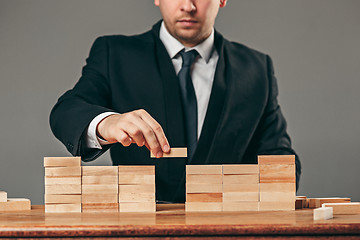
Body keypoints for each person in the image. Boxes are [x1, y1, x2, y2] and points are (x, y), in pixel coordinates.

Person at [50, 0, 301, 203]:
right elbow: (67, 111)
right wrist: (107, 122)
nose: (188, 6)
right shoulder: (113, 53)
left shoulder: (256, 69)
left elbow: (281, 159)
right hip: (140, 230)